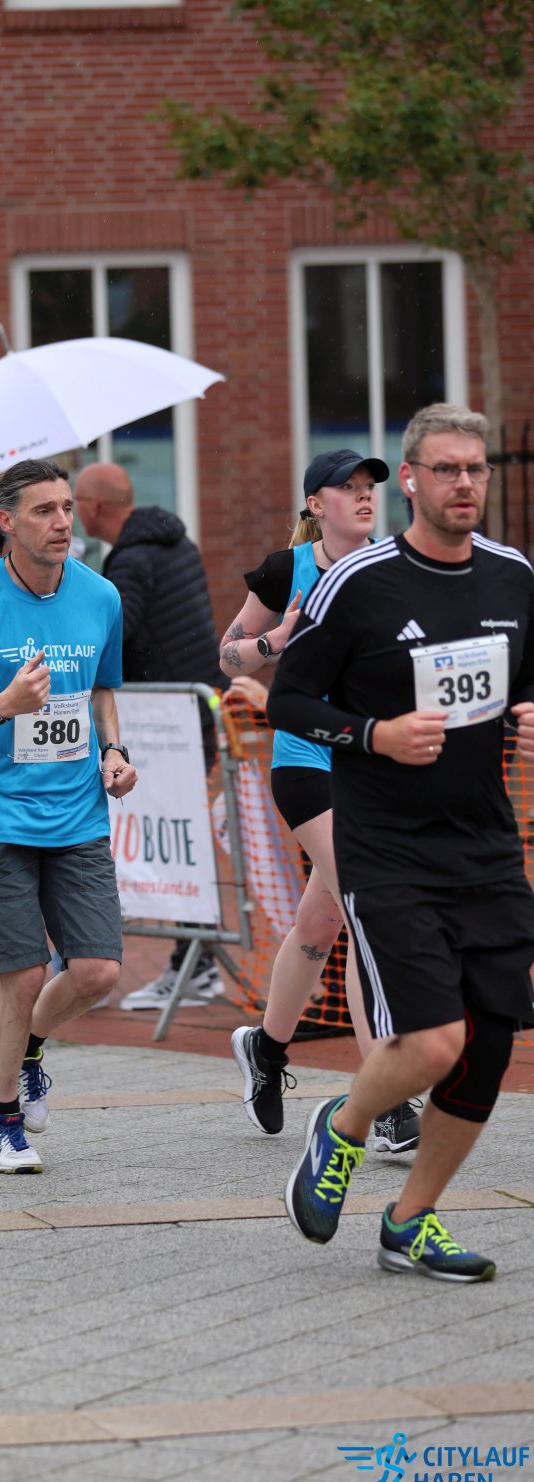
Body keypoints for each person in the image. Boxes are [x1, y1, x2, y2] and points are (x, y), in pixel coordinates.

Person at [269, 403, 534, 1282]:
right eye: (447, 469)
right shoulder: (359, 582)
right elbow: (289, 701)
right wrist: (373, 735)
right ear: (411, 480)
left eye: (476, 468)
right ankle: (342, 1128)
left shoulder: (512, 576)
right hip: (386, 846)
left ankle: (410, 1222)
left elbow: (524, 686)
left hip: (485, 846)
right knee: (431, 1040)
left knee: (488, 1048)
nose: (466, 483)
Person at [0, 458, 137, 1173]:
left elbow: (102, 690)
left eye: (67, 507)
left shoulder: (100, 595)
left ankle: (31, 1048)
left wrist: (114, 750)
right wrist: (0, 707)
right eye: (44, 510)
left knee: (98, 971)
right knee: (23, 974)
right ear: (7, 522)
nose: (63, 522)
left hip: (78, 815)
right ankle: (0, 1120)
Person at [219, 449, 419, 1152]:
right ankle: (385, 1098)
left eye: (370, 488)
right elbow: (229, 654)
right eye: (347, 488)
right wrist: (275, 639)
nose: (364, 497)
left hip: (372, 767)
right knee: (366, 909)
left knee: (323, 919)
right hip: (306, 766)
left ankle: (266, 1048)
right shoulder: (287, 570)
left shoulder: (396, 567)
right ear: (315, 504)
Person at [74, 461, 228, 1007]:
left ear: (94, 508)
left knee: (172, 838)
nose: (71, 515)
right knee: (180, 835)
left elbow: (114, 639)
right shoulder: (176, 543)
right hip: (193, 713)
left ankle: (194, 962)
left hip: (168, 721)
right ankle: (194, 960)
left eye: (73, 504)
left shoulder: (131, 559)